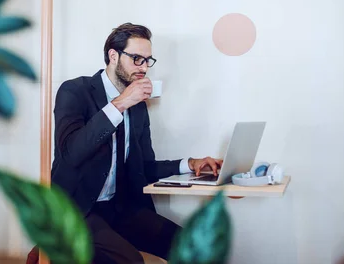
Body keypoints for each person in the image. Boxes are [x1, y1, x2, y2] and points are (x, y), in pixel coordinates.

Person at [51, 23, 223, 264]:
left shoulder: (139, 105)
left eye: (147, 60)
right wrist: (119, 104)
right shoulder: (75, 91)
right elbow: (71, 153)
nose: (144, 68)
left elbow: (144, 167)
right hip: (77, 210)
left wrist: (190, 164)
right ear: (113, 56)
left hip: (119, 207)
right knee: (130, 261)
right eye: (136, 59)